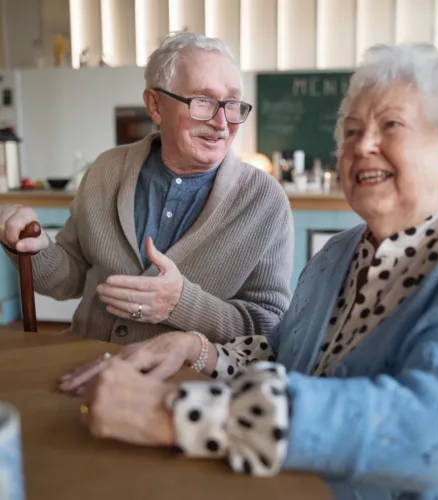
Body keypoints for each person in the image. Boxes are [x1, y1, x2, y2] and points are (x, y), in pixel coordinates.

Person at [63, 43, 438, 500]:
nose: (363, 145)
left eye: (391, 125)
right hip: (287, 482)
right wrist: (197, 346)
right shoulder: (339, 251)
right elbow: (284, 353)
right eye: (351, 131)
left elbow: (434, 427)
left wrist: (181, 416)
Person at [0, 32, 293, 345]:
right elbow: (66, 280)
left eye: (232, 103)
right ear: (155, 105)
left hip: (186, 384)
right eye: (203, 101)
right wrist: (32, 243)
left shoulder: (265, 202)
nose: (223, 123)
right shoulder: (106, 171)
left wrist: (180, 304)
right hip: (84, 365)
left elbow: (269, 329)